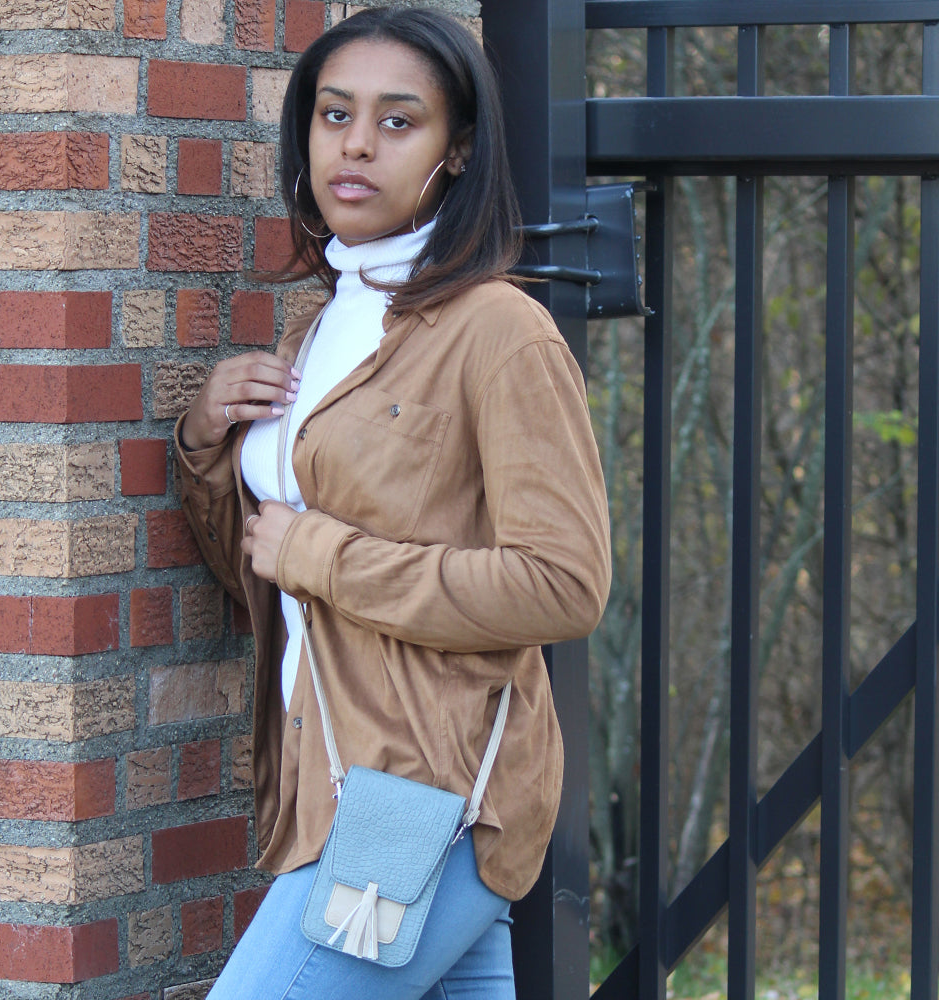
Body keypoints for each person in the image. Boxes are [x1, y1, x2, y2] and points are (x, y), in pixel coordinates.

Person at [175, 7, 610, 999]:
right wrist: (207, 439)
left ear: (457, 150)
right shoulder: (317, 326)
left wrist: (321, 552)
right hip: (327, 779)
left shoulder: (500, 331)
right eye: (335, 114)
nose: (357, 144)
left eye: (398, 120)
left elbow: (563, 584)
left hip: (423, 796)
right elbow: (264, 574)